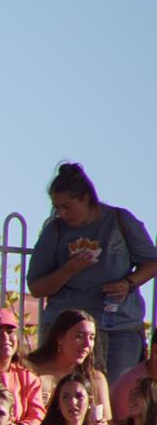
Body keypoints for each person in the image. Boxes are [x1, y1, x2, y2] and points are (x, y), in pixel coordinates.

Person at [27, 163, 157, 385]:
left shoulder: (120, 221)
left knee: (117, 399)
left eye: (67, 206)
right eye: (57, 207)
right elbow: (36, 287)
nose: (61, 213)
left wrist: (129, 283)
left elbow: (152, 262)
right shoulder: (55, 230)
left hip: (118, 330)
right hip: (67, 331)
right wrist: (68, 271)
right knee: (64, 395)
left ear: (86, 198)